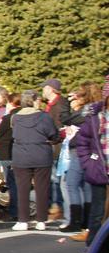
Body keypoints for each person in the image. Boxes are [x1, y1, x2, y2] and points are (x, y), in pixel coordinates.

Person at [10, 89, 58, 231]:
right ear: (35, 100)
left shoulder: (15, 117)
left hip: (21, 155)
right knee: (42, 189)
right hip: (41, 154)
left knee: (22, 189)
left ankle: (23, 220)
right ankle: (41, 220)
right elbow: (53, 135)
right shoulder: (44, 117)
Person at [57, 84, 97, 233]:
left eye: (77, 96)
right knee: (87, 186)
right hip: (91, 151)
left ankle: (76, 221)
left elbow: (66, 119)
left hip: (81, 150)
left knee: (71, 183)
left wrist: (66, 102)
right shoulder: (96, 109)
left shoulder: (87, 110)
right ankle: (86, 221)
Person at [74, 75, 109, 245]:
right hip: (99, 169)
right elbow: (83, 142)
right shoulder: (96, 117)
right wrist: (88, 163)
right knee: (98, 211)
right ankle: (92, 246)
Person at [41, 79, 68, 220]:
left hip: (56, 145)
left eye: (44, 88)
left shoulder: (60, 104)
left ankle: (59, 207)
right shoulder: (51, 105)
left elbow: (61, 125)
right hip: (51, 144)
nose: (42, 91)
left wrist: (53, 138)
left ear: (51, 89)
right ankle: (55, 205)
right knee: (53, 178)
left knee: (56, 178)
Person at [0, 92, 21, 221]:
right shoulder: (24, 115)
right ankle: (19, 209)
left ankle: (14, 210)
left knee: (12, 183)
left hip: (7, 152)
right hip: (20, 152)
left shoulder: (9, 117)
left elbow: (0, 134)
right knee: (19, 183)